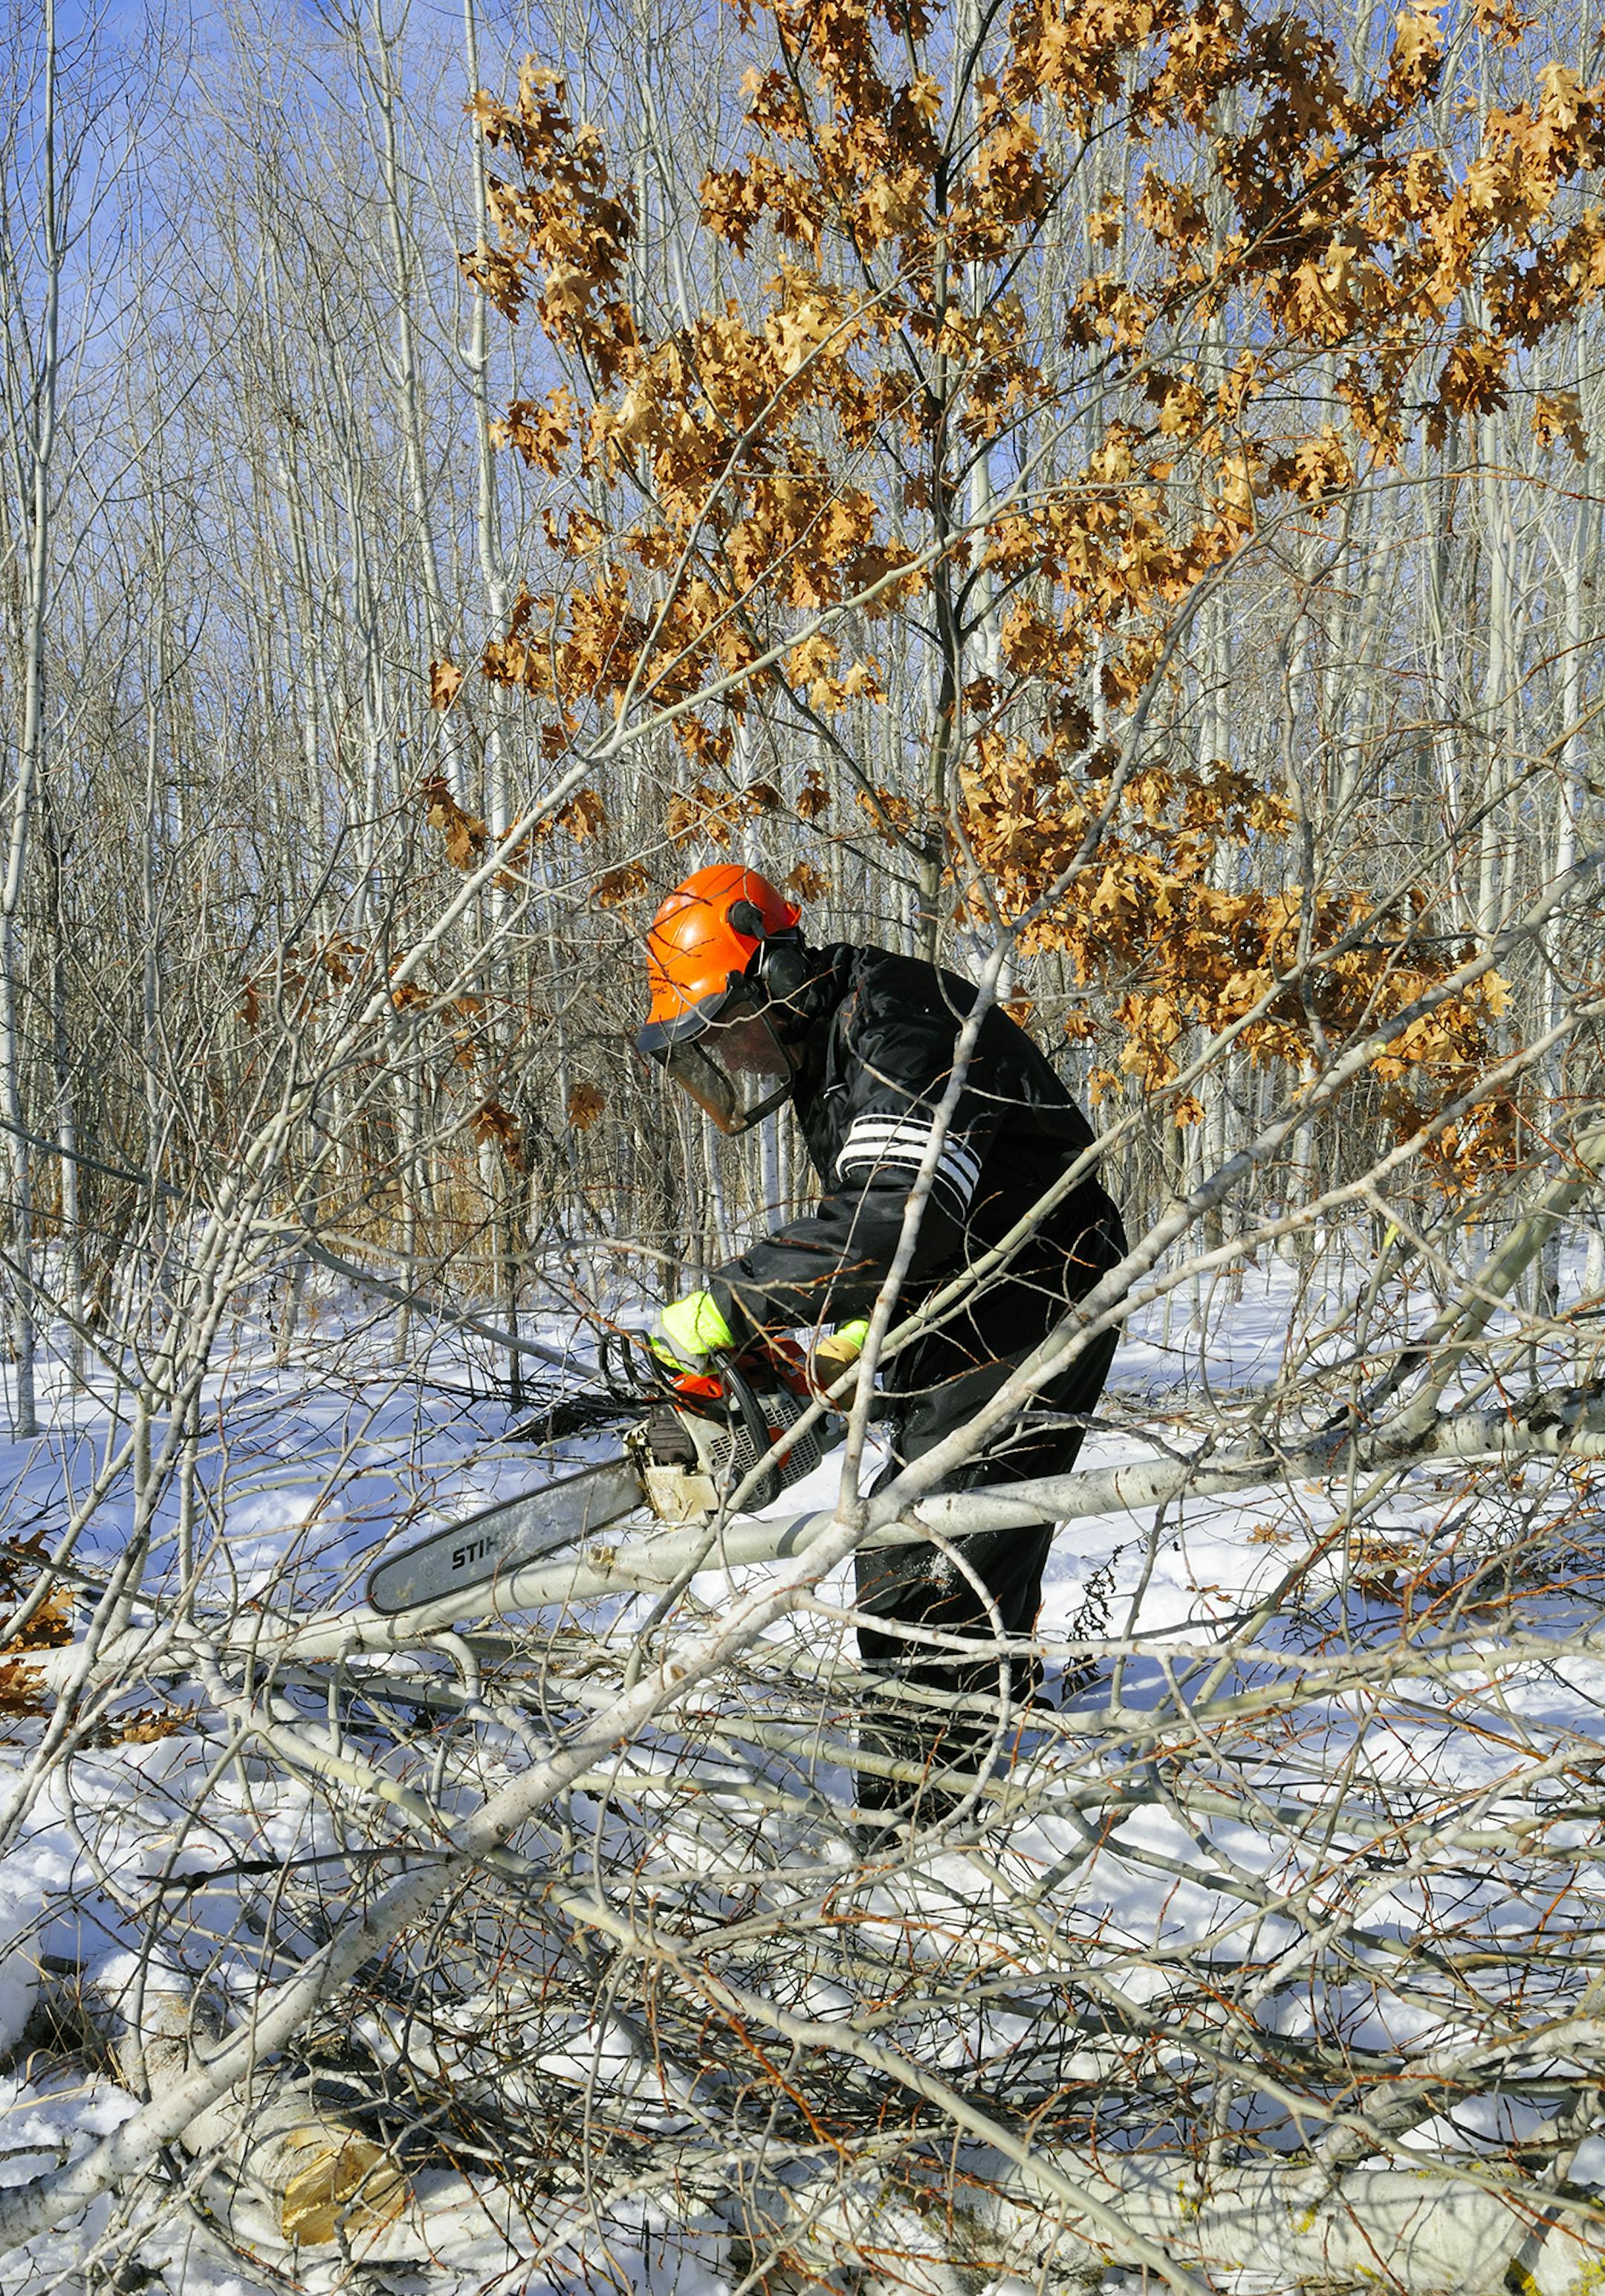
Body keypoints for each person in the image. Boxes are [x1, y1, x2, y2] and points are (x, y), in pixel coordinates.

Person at [635, 863, 1126, 1833]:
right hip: (963, 1293)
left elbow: (896, 1218)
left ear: (777, 974)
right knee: (949, 1546)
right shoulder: (835, 1042)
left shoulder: (898, 1025)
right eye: (708, 1043)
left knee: (923, 1568)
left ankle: (915, 1847)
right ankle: (989, 1743)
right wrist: (842, 1345)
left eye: (727, 1024)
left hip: (1035, 1294)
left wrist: (728, 1306)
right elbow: (898, 1228)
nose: (731, 1053)